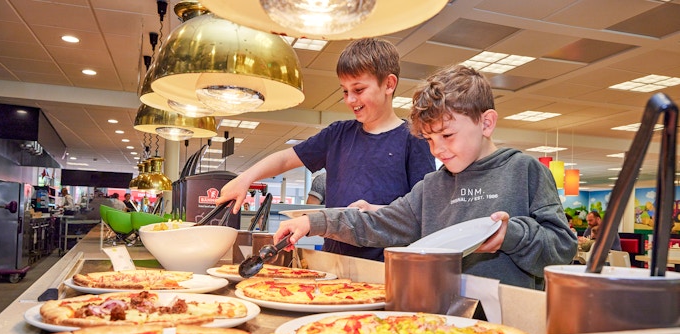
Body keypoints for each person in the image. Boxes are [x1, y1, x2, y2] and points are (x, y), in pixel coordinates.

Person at [273, 65, 577, 290]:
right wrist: (313, 222)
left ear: (486, 123)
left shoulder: (525, 171)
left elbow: (562, 251)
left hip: (508, 322)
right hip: (440, 315)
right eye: (430, 139)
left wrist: (512, 235)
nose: (438, 149)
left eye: (447, 135)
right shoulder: (432, 186)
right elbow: (376, 223)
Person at [216, 38, 435, 261]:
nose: (350, 99)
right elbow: (285, 159)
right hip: (334, 259)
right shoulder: (337, 134)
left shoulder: (414, 139)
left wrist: (373, 209)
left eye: (359, 89)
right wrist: (245, 178)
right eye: (345, 91)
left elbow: (420, 211)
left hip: (385, 263)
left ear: (388, 84)